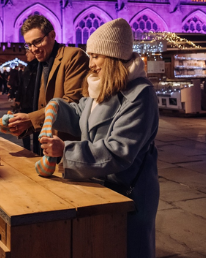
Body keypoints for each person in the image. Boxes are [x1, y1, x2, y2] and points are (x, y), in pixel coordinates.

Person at [40, 19, 158, 258]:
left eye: (96, 56)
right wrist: (56, 108)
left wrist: (65, 151)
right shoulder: (100, 87)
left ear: (113, 57)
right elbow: (81, 117)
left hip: (127, 194)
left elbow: (118, 151)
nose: (90, 64)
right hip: (99, 187)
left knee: (126, 249)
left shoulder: (140, 94)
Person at [7, 15, 89, 140]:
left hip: (65, 143)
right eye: (29, 45)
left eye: (37, 42)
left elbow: (71, 101)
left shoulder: (74, 56)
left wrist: (30, 119)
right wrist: (22, 125)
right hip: (47, 140)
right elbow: (42, 106)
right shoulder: (43, 62)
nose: (33, 49)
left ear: (52, 35)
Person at [18, 50, 40, 155]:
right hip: (25, 103)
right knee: (24, 129)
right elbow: (22, 85)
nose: (26, 54)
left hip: (35, 104)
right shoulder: (27, 68)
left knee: (36, 130)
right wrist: (19, 99)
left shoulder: (40, 67)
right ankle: (26, 150)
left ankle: (37, 152)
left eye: (28, 52)